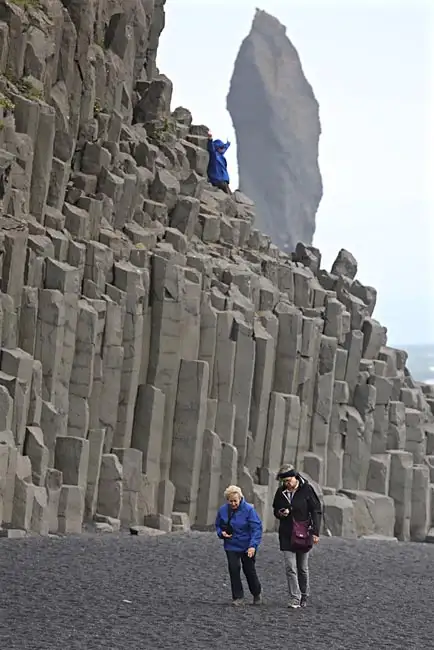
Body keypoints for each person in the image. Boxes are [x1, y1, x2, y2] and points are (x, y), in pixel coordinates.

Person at [273, 466, 322, 609]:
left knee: (302, 568)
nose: (287, 483)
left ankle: (304, 594)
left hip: (304, 533)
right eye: (284, 481)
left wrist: (316, 532)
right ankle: (295, 597)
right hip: (286, 533)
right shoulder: (281, 491)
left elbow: (316, 510)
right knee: (290, 567)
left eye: (288, 480)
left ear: (295, 477)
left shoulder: (307, 490)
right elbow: (275, 508)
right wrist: (280, 513)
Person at [215, 485, 263, 606]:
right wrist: (222, 533)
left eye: (235, 501)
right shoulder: (223, 510)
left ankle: (256, 593)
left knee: (249, 570)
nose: (233, 503)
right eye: (230, 501)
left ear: (240, 498)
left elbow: (256, 528)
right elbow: (218, 525)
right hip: (231, 545)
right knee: (234, 569)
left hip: (247, 545)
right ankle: (238, 597)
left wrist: (253, 546)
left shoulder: (249, 510)